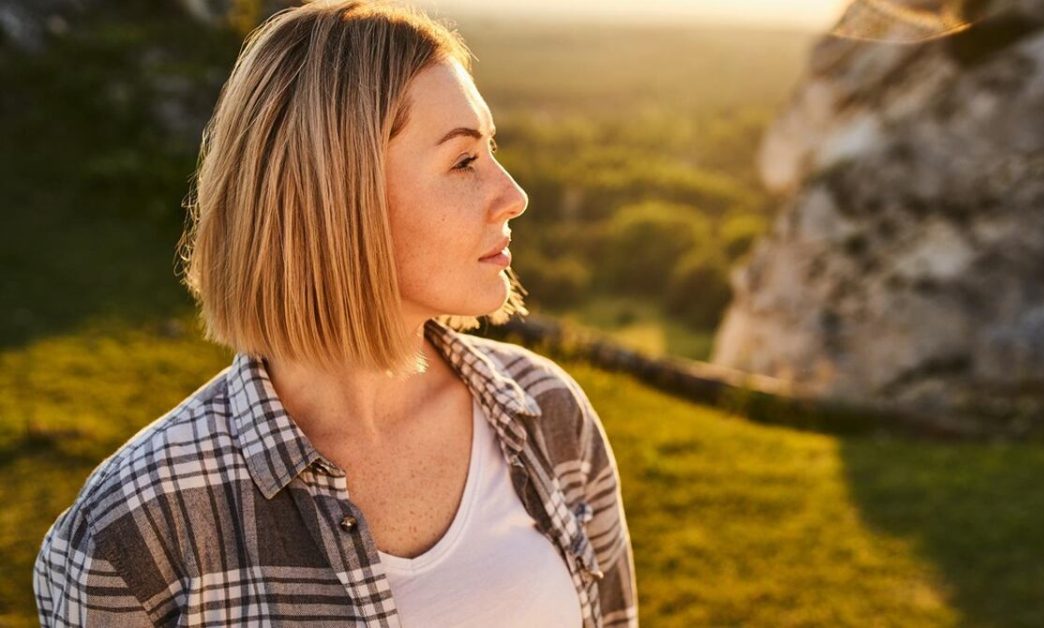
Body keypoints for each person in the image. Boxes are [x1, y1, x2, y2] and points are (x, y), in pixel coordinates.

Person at [32, 1, 637, 626]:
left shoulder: (548, 416)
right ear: (336, 198)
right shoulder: (133, 532)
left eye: (491, 150)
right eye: (463, 161)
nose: (514, 195)